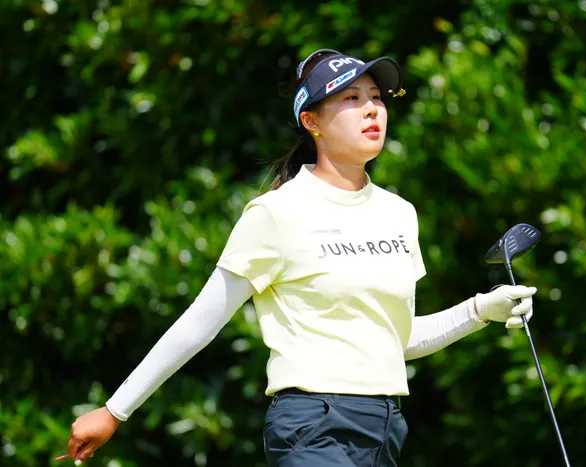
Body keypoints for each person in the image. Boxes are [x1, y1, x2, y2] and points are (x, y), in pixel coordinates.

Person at [61, 49, 538, 466]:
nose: (372, 109)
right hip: (313, 422)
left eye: (376, 97)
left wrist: (480, 309)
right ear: (312, 122)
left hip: (385, 426)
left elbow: (397, 337)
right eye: (351, 99)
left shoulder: (399, 214)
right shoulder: (276, 212)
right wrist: (115, 410)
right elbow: (201, 321)